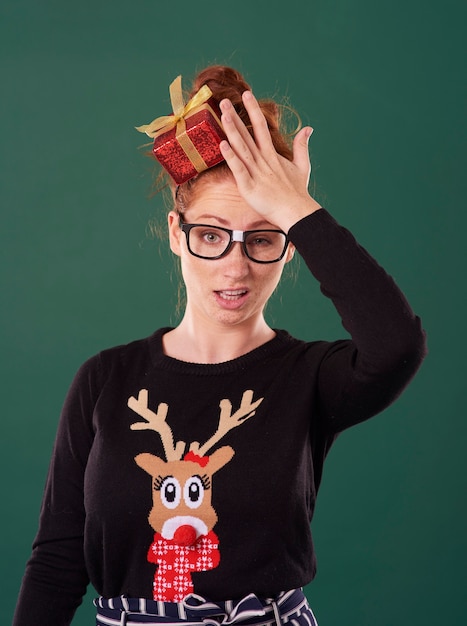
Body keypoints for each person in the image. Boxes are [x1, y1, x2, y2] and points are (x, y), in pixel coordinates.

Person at [13, 65, 426, 626]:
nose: (235, 268)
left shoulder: (309, 376)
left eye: (262, 238)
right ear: (176, 233)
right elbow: (59, 558)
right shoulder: (104, 378)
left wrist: (297, 210)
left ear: (288, 247)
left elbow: (397, 345)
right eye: (211, 235)